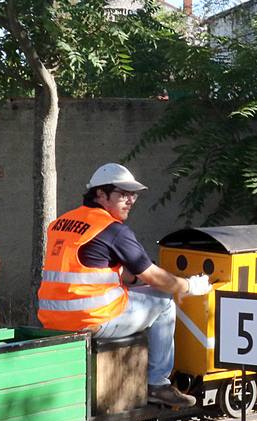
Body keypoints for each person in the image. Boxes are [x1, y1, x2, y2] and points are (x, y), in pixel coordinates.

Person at [37, 163, 211, 408]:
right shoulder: (112, 230)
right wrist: (190, 286)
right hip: (91, 318)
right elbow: (152, 276)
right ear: (100, 194)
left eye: (133, 195)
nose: (130, 200)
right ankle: (157, 383)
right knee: (164, 300)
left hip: (52, 317)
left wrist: (132, 279)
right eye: (123, 194)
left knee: (142, 293)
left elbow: (90, 269)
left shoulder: (61, 223)